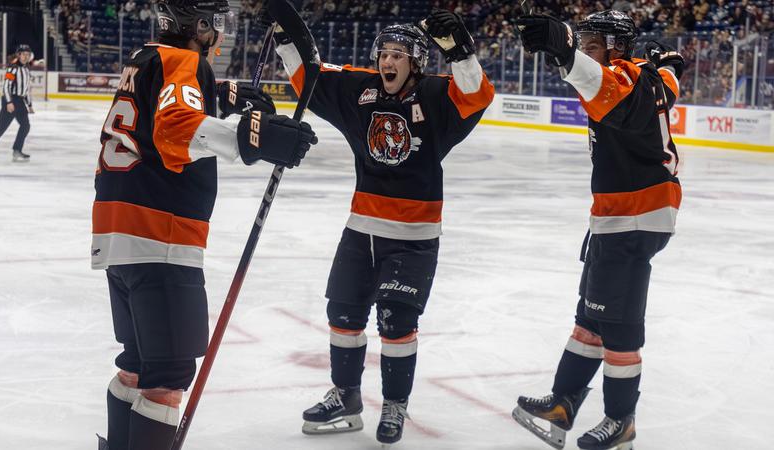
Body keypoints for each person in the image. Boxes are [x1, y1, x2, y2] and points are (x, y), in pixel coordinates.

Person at [92, 0, 318, 449]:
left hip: (118, 232)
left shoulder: (144, 58)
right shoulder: (186, 61)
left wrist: (224, 94)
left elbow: (161, 107)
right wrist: (255, 138)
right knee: (167, 377)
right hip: (162, 236)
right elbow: (174, 126)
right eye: (215, 23)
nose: (219, 31)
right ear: (198, 26)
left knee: (137, 365)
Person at [268, 7, 494, 445]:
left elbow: (477, 95)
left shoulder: (435, 97)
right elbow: (309, 78)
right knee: (343, 314)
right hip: (361, 230)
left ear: (416, 62)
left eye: (399, 55)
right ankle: (346, 397)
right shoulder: (361, 91)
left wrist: (462, 52)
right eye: (384, 53)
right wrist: (285, 37)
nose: (388, 62)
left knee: (395, 322)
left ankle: (394, 405)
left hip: (413, 238)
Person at [512, 10, 684, 450]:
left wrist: (568, 54)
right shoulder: (649, 77)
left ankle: (620, 421)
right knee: (590, 316)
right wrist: (671, 64)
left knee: (620, 327)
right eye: (583, 42)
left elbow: (600, 83)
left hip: (634, 217)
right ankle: (563, 402)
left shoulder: (623, 82)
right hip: (616, 217)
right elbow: (667, 78)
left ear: (616, 49)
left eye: (593, 44)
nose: (586, 50)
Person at [0, 45, 35, 162]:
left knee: (25, 126)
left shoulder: (26, 69)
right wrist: (9, 102)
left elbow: (26, 89)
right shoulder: (12, 68)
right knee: (2, 126)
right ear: (18, 55)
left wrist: (29, 105)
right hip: (10, 100)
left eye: (28, 54)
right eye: (23, 54)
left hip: (20, 101)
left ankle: (17, 150)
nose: (26, 56)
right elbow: (6, 86)